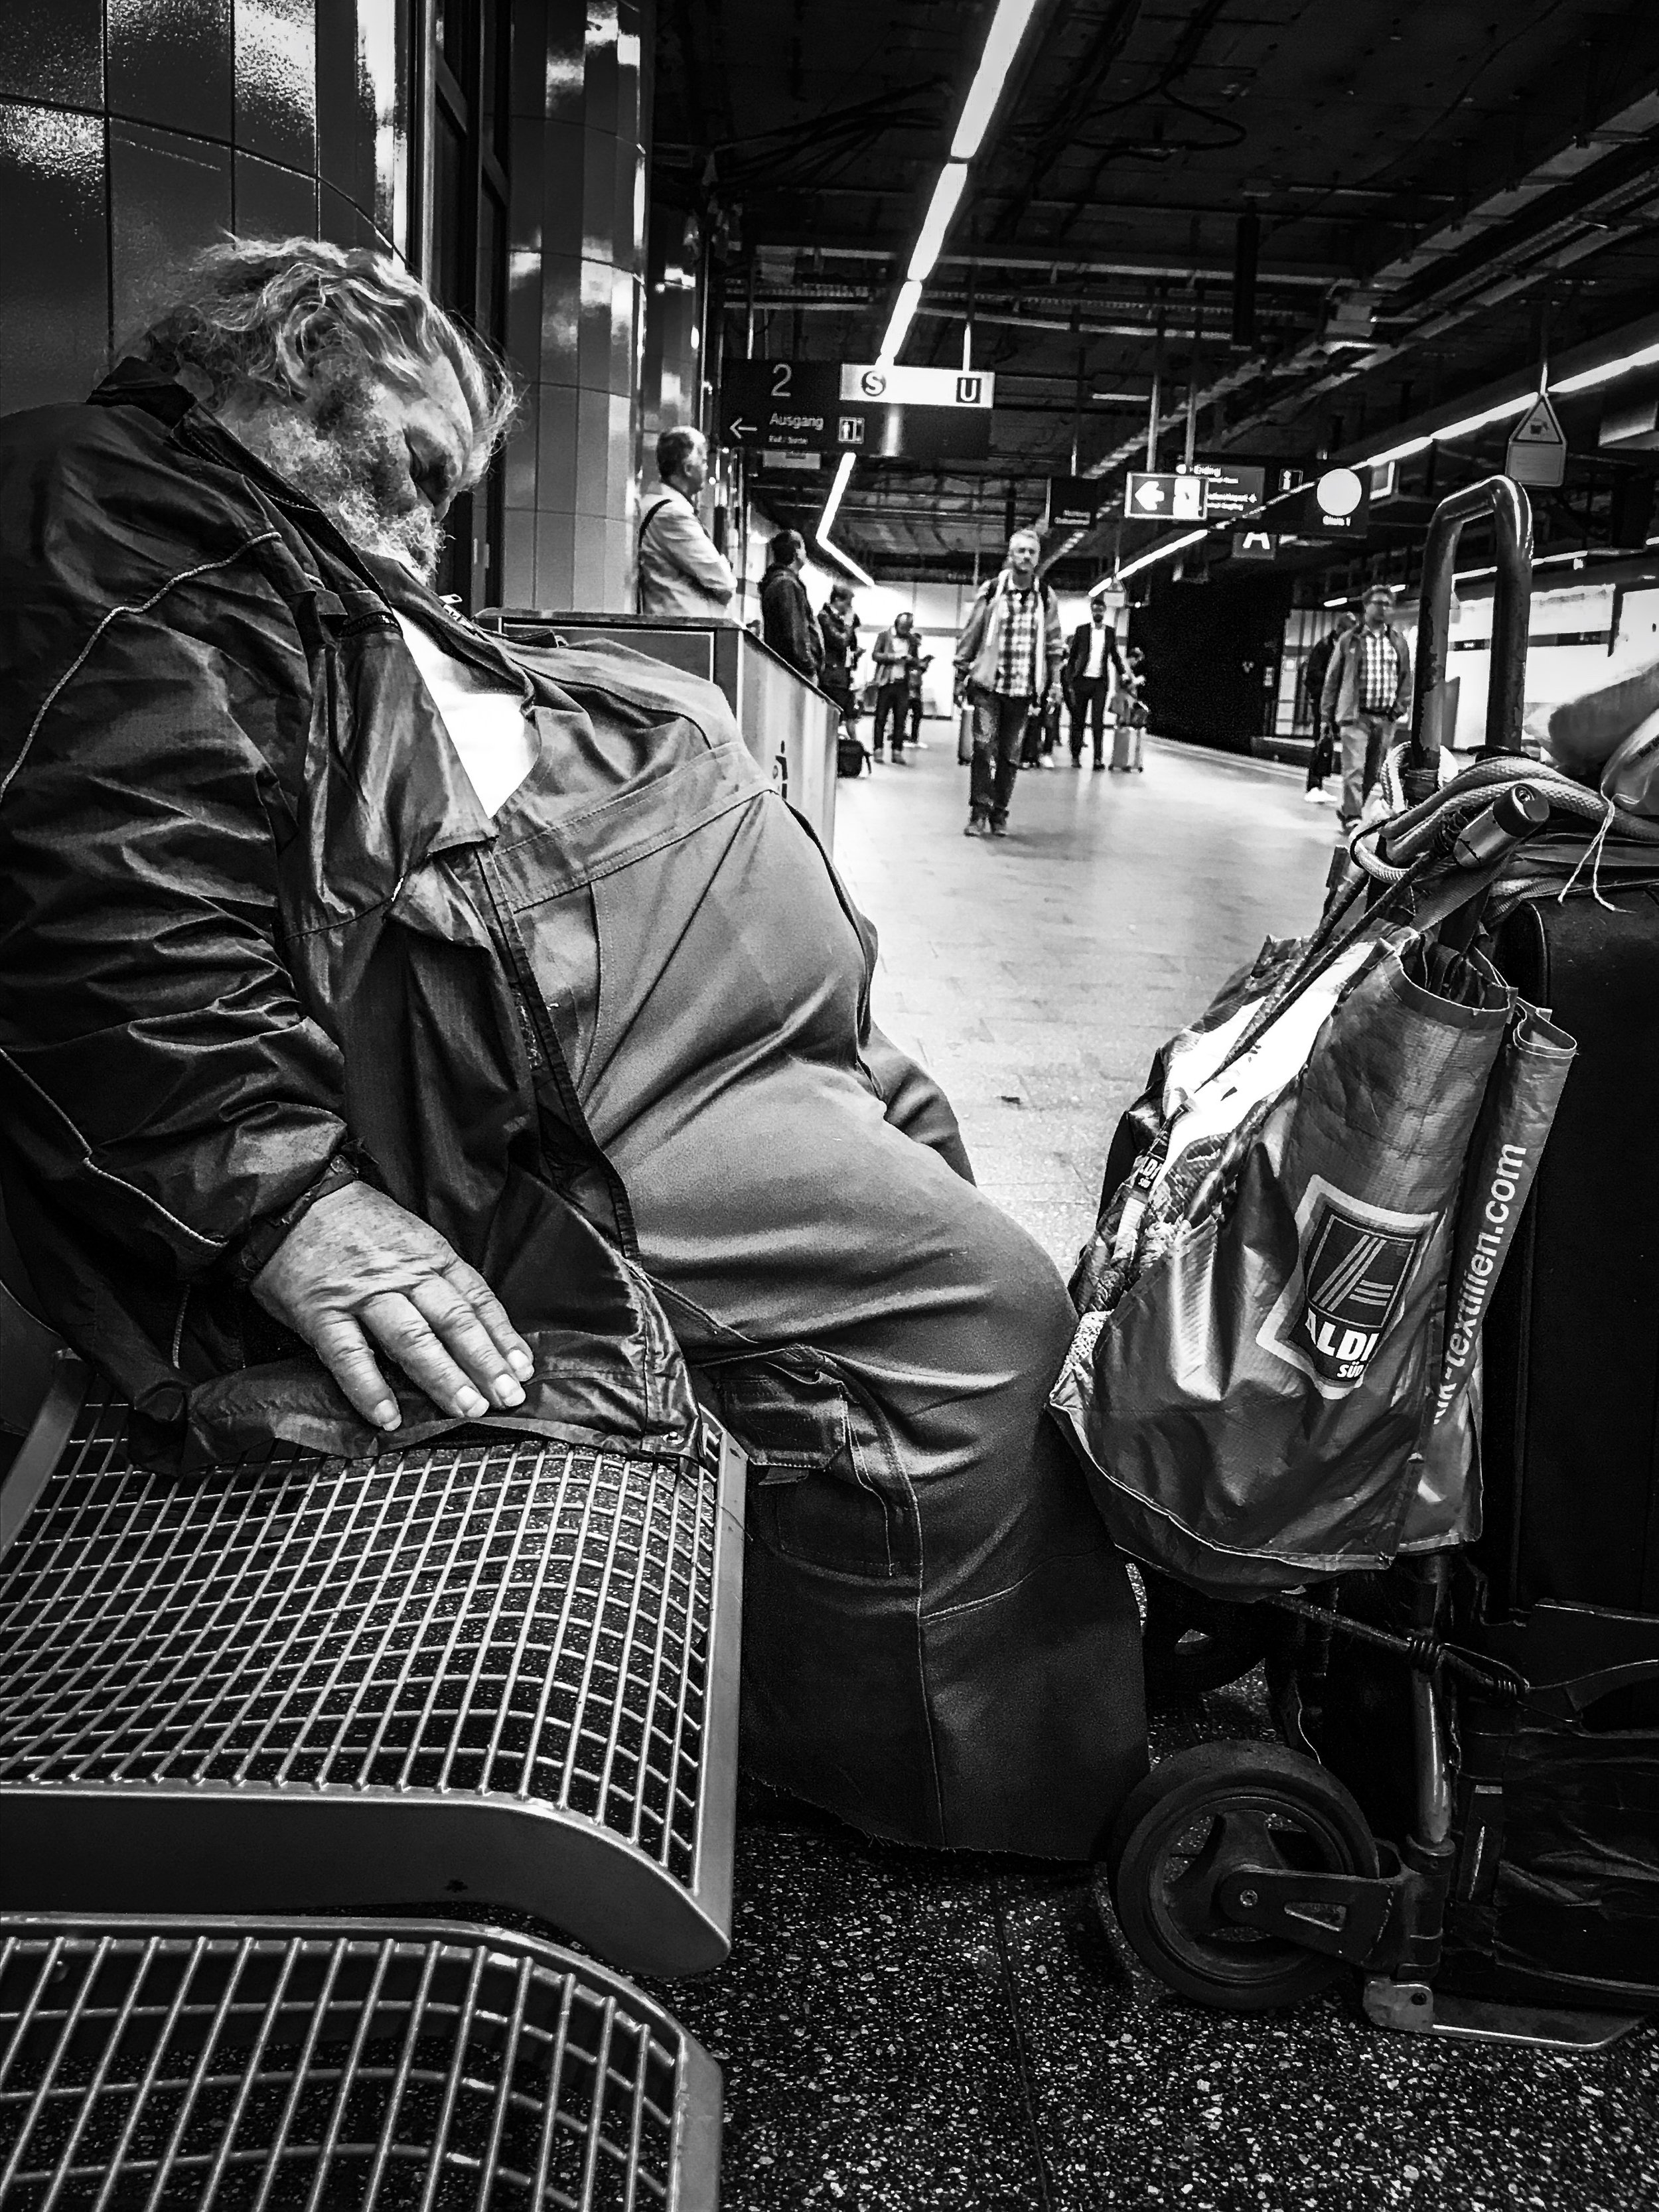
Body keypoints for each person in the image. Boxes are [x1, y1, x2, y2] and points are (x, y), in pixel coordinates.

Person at [0, 238, 1145, 1864]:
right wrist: (286, 1204)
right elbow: (109, 913)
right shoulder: (114, 517)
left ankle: (839, 1623)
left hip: (607, 1028)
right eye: (402, 476)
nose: (416, 540)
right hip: (528, 1090)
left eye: (441, 499)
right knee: (974, 1310)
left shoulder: (213, 532)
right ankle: (969, 1782)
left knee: (912, 1129)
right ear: (278, 383)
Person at [954, 528, 1064, 837]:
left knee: (1010, 756)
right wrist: (960, 672)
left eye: (1032, 552)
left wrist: (1054, 684)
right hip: (988, 686)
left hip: (1023, 688)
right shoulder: (991, 591)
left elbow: (1054, 644)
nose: (1026, 556)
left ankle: (999, 813)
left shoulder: (1045, 596)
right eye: (1021, 551)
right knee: (982, 747)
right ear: (1011, 555)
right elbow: (972, 632)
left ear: (1038, 558)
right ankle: (979, 812)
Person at [1321, 583, 1413, 830]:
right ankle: (1353, 816)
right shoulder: (1349, 640)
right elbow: (1333, 678)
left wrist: (1399, 709)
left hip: (1385, 719)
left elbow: (1405, 677)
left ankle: (1349, 809)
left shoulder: (1398, 642)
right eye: (1379, 603)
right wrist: (1326, 715)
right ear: (1366, 606)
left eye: (1388, 604)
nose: (1383, 609)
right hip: (1355, 716)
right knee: (1355, 770)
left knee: (1373, 772)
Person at [636, 425, 736, 620]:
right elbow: (723, 580)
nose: (707, 469)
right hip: (683, 626)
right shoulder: (672, 514)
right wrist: (724, 565)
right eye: (704, 462)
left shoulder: (659, 504)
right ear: (688, 468)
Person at [1300, 612, 1354, 804]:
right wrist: (1329, 686)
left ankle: (1319, 784)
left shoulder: (1343, 648)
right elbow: (1312, 675)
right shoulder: (1324, 647)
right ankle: (1314, 784)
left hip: (1337, 702)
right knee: (1322, 740)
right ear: (1340, 630)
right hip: (1323, 701)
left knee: (1328, 742)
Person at [1064, 597, 1124, 771]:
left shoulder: (1110, 633)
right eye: (1095, 610)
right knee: (1078, 720)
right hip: (1081, 681)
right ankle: (1075, 756)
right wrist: (1069, 679)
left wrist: (1123, 674)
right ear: (1092, 611)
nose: (1098, 613)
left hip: (1100, 683)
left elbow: (1115, 657)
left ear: (1104, 612)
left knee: (1098, 721)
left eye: (1101, 610)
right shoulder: (1081, 631)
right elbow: (1073, 656)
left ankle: (1098, 759)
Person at [758, 528, 823, 682]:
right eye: (803, 547)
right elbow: (795, 633)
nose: (806, 553)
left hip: (784, 668)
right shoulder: (786, 584)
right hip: (795, 673)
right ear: (796, 552)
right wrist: (809, 667)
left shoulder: (778, 581)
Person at [870, 609, 918, 761]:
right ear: (896, 624)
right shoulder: (884, 636)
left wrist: (910, 659)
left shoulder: (912, 641)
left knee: (901, 719)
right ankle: (878, 750)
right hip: (886, 682)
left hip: (903, 684)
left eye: (907, 628)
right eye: (902, 628)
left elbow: (916, 661)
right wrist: (894, 657)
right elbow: (875, 655)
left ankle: (897, 751)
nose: (904, 631)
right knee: (880, 718)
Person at [818, 580, 861, 734]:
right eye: (848, 604)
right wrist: (849, 624)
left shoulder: (841, 620)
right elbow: (840, 642)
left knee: (849, 714)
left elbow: (850, 644)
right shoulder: (825, 617)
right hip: (831, 677)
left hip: (843, 675)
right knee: (833, 717)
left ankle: (850, 748)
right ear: (837, 600)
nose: (849, 608)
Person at [904, 638, 934, 750]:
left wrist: (927, 660)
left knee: (918, 715)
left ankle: (914, 738)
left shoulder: (918, 663)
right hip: (906, 693)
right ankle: (900, 737)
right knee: (902, 716)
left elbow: (922, 668)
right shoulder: (907, 662)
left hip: (916, 694)